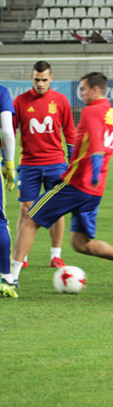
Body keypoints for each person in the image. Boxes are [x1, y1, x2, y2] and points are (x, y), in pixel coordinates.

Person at [7, 72, 113, 294]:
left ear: (96, 89)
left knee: (30, 220)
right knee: (80, 243)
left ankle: (12, 278)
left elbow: (96, 140)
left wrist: (94, 167)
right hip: (94, 191)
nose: (81, 94)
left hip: (76, 184)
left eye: (84, 89)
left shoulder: (90, 112)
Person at [12, 61, 75, 270]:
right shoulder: (20, 102)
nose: (40, 84)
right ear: (32, 78)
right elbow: (10, 133)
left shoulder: (61, 100)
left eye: (44, 80)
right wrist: (7, 160)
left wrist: (72, 160)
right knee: (25, 209)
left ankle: (55, 255)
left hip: (56, 163)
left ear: (51, 79)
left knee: (56, 210)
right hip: (29, 164)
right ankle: (23, 255)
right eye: (37, 79)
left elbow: (70, 132)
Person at [0, 82, 17, 298]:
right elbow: (7, 131)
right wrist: (9, 163)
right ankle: (5, 276)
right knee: (0, 222)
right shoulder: (1, 91)